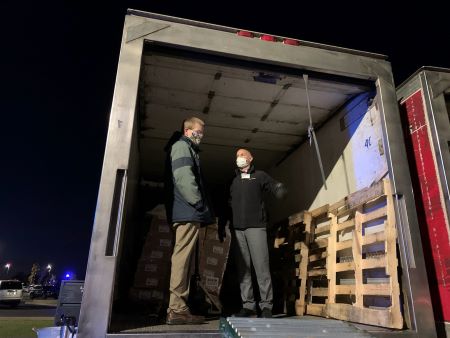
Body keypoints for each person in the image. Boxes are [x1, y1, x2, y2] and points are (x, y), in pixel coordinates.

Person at [164, 116, 214, 325]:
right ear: (187, 131)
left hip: (187, 212)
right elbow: (184, 178)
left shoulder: (187, 148)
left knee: (184, 261)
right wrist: (199, 203)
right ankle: (176, 309)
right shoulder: (182, 147)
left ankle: (179, 308)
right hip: (187, 211)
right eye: (198, 132)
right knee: (182, 260)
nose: (200, 136)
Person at [226, 148, 286, 318]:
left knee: (261, 267)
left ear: (251, 158)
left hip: (256, 228)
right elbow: (229, 204)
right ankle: (248, 306)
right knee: (243, 270)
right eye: (237, 155)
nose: (240, 157)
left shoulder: (260, 176)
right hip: (238, 230)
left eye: (243, 155)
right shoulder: (234, 181)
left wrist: (279, 189)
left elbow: (273, 185)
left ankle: (266, 306)